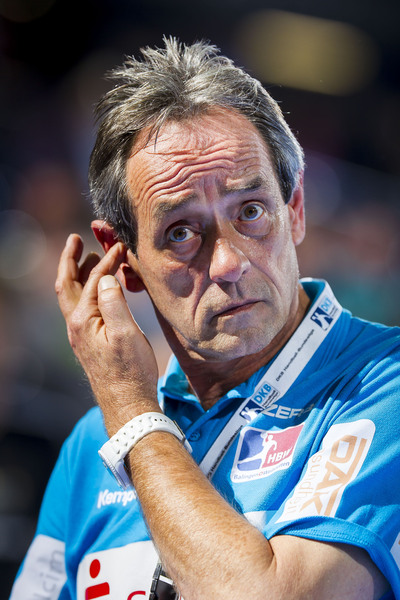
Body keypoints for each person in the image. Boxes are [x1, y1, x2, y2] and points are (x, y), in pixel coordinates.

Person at [10, 37, 400, 600]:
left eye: (251, 211)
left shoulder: (386, 387)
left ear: (294, 210)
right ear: (124, 259)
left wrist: (132, 413)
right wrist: (127, 417)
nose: (228, 263)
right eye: (181, 233)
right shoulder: (92, 443)